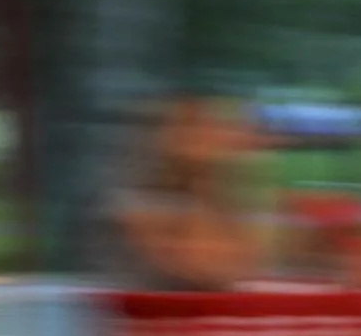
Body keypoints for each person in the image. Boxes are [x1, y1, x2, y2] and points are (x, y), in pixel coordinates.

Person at [115, 95, 268, 290]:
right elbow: (197, 267)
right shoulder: (145, 202)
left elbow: (242, 262)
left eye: (213, 125)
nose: (211, 134)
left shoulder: (225, 198)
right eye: (194, 125)